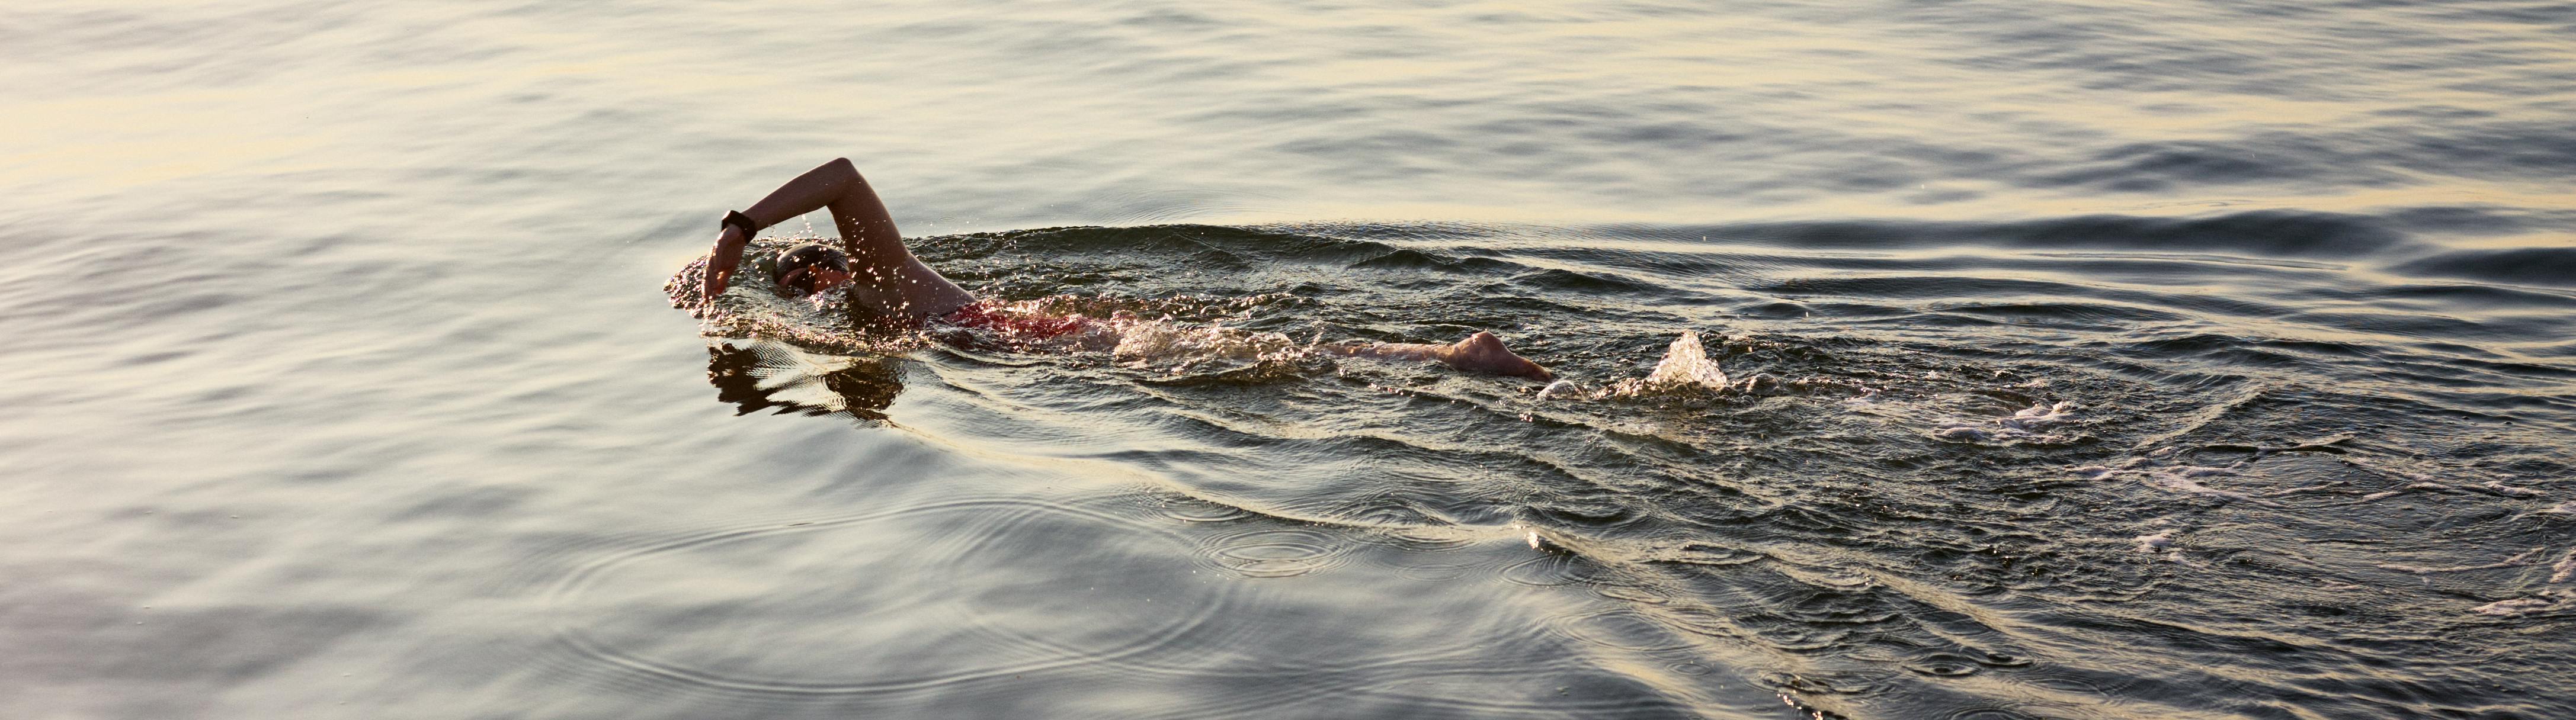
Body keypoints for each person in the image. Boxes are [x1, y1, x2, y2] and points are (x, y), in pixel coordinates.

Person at [701, 158, 1552, 381]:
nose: (809, 298)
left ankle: (1456, 358)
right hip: (1048, 343)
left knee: (1276, 364)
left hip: (1048, 341)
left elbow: (842, 175)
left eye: (802, 284)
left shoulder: (882, 279)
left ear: (823, 270)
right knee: (1277, 361)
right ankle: (1444, 358)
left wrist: (741, 228)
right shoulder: (872, 307)